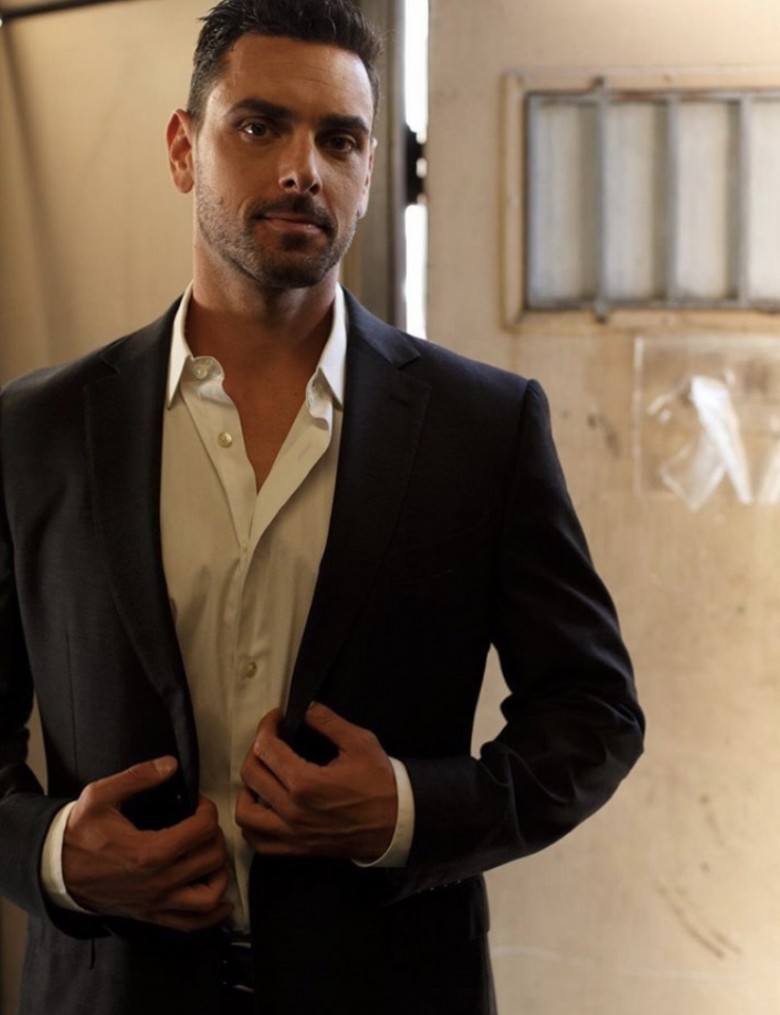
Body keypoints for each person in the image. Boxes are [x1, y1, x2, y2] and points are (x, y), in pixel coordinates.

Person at [0, 1, 644, 1013]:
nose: (303, 168)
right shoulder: (37, 428)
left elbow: (593, 715)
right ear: (184, 149)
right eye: (259, 126)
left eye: (339, 139)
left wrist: (405, 811)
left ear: (371, 167)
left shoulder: (484, 426)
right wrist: (54, 857)